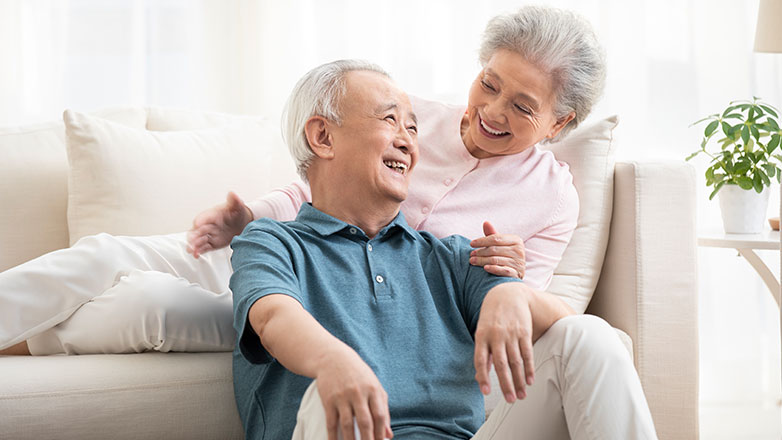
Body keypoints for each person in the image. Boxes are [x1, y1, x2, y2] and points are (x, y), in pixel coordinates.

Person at [0, 5, 588, 357]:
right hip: (288, 248)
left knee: (151, 304)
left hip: (340, 307)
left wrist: (508, 278)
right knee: (105, 254)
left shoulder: (553, 196)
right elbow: (317, 188)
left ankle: (30, 339)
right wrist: (249, 219)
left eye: (522, 106)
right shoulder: (409, 118)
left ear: (560, 123)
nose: (492, 111)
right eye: (489, 84)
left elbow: (513, 308)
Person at [231, 58, 656, 440]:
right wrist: (332, 361)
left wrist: (516, 294)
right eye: (390, 120)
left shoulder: (452, 257)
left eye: (413, 128)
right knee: (326, 398)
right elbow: (272, 317)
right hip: (330, 429)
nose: (408, 142)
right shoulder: (271, 242)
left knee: (591, 336)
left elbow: (563, 330)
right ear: (323, 136)